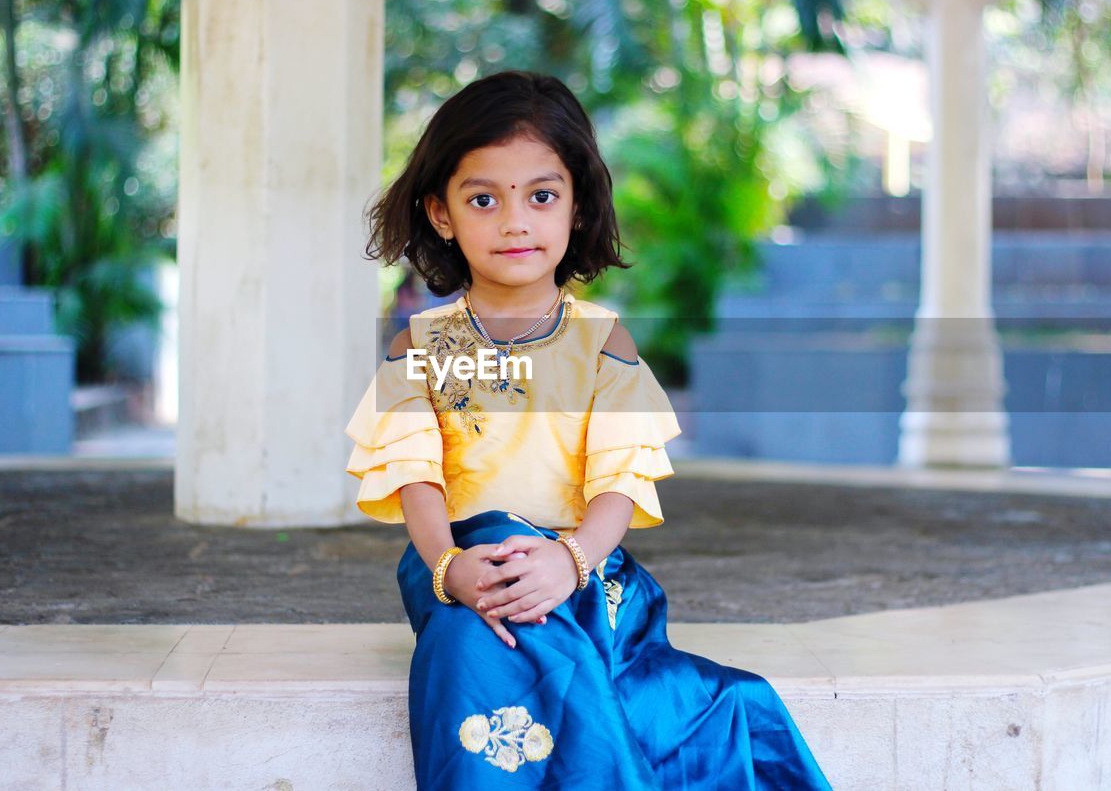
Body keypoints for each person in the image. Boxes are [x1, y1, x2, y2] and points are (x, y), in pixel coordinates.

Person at [344, 69, 832, 789]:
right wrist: (451, 568)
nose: (515, 221)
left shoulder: (606, 345)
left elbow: (618, 485)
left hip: (585, 566)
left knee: (564, 635)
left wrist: (565, 562)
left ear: (576, 206)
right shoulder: (416, 347)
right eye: (484, 198)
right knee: (464, 632)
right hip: (457, 564)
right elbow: (418, 479)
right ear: (441, 214)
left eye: (541, 195)